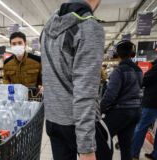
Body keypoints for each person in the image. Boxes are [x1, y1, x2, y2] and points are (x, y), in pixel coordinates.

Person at [40, 0, 112, 160]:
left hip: (53, 121)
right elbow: (84, 93)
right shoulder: (88, 27)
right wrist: (87, 149)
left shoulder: (47, 29)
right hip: (76, 124)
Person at [100, 40, 143, 160]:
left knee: (103, 138)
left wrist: (99, 109)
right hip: (135, 111)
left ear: (117, 53)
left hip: (121, 112)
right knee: (126, 146)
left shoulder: (119, 71)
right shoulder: (139, 70)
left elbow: (110, 95)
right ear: (132, 53)